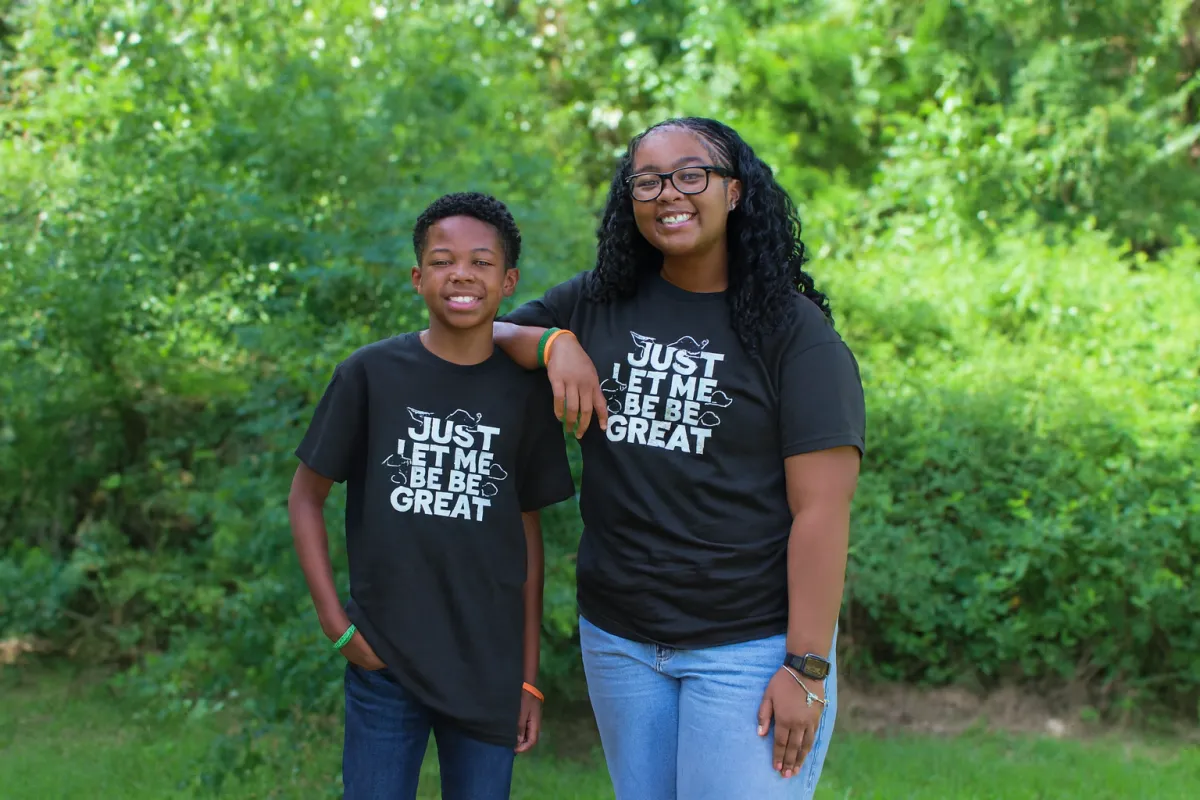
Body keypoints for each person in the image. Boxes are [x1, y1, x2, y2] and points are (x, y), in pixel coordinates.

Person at [493, 117, 866, 799]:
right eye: (648, 180)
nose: (669, 193)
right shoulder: (596, 303)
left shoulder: (794, 333)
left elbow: (822, 511)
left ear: (734, 191)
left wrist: (807, 668)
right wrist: (553, 343)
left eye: (692, 175)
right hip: (620, 640)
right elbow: (480, 334)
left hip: (747, 649)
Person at [287, 192, 576, 800]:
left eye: (481, 262)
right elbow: (306, 497)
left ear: (508, 282)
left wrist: (528, 676)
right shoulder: (370, 375)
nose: (461, 274)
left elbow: (527, 535)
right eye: (443, 261)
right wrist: (336, 625)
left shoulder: (524, 394)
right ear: (418, 278)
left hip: (488, 668)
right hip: (385, 662)